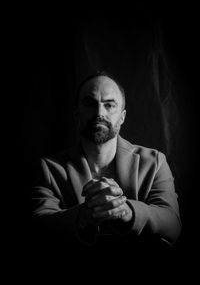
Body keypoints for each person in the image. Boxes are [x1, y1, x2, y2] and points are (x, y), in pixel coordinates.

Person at [31, 71, 181, 260]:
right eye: (90, 103)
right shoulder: (49, 168)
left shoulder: (154, 162)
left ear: (122, 117)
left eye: (109, 105)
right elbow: (37, 228)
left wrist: (125, 210)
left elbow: (172, 225)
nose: (99, 113)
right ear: (77, 113)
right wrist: (83, 216)